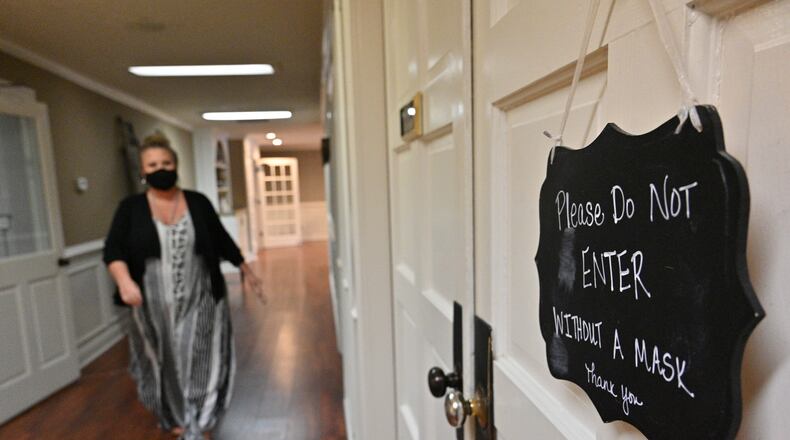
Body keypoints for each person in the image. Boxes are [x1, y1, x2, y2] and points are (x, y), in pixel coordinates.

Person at [103, 133, 264, 439]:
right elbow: (113, 251)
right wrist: (124, 282)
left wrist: (247, 270)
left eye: (166, 163)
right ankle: (174, 415)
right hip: (150, 302)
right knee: (160, 360)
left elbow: (221, 239)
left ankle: (201, 418)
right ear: (143, 170)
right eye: (153, 165)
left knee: (202, 356)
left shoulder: (197, 202)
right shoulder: (130, 208)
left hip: (201, 295)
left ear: (176, 166)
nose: (160, 169)